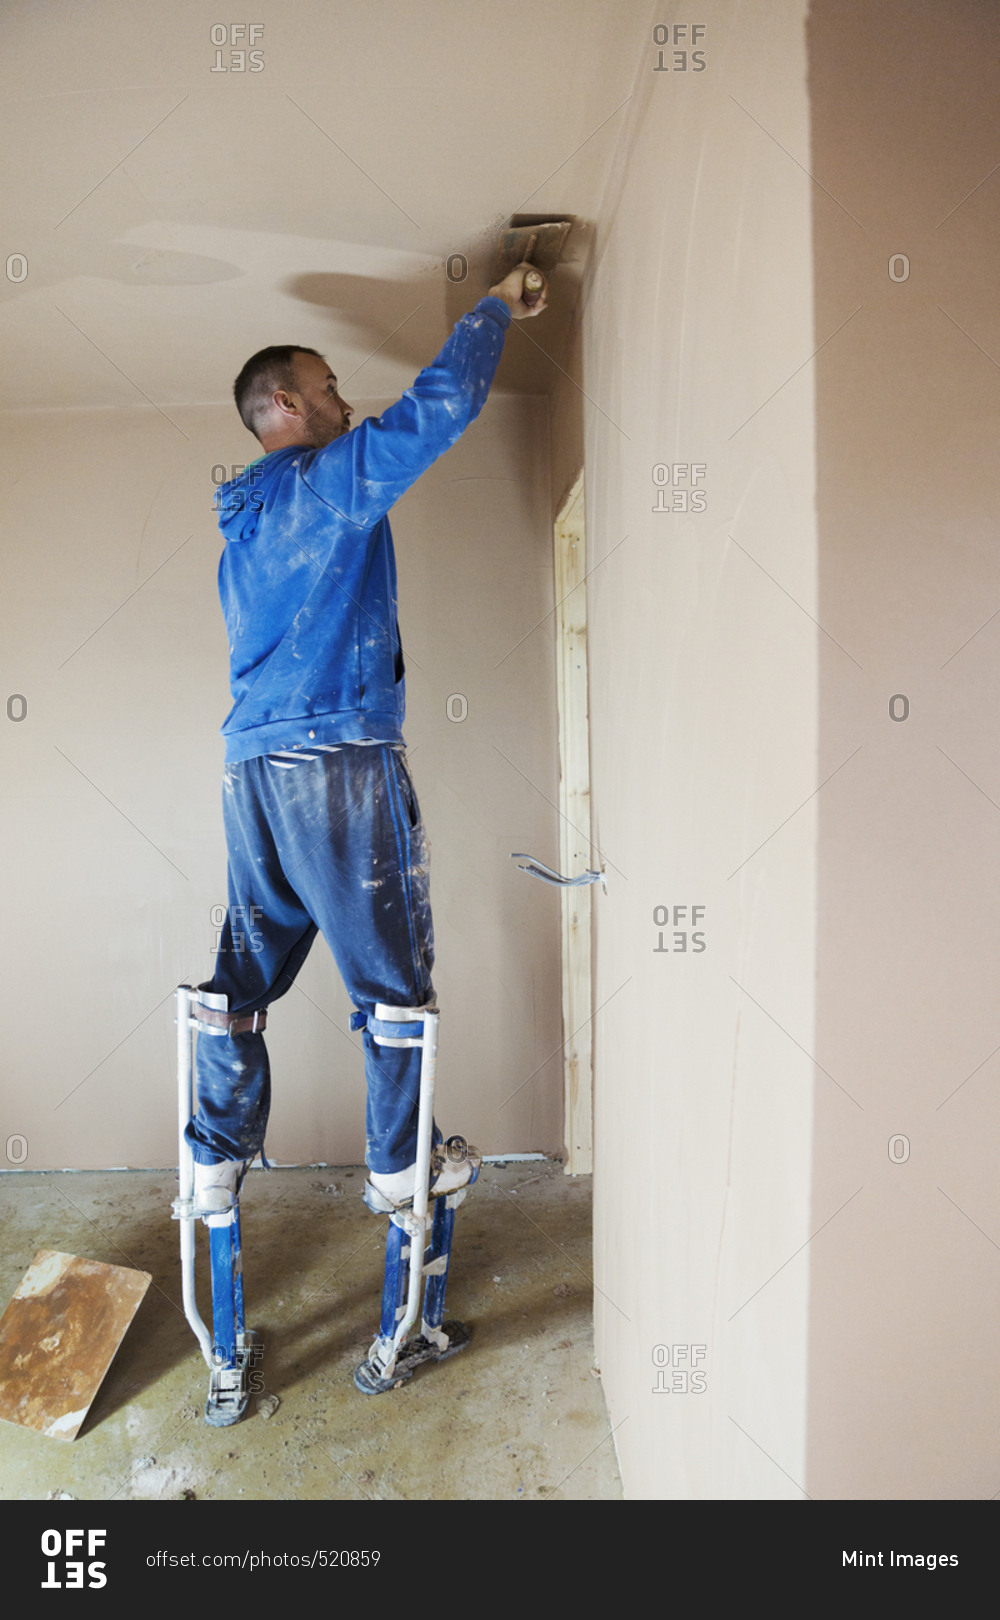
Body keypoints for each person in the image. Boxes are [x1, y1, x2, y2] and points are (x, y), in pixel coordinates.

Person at [185, 260, 548, 1216]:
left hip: (252, 769)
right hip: (335, 762)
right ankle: (402, 1168)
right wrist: (493, 307)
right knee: (392, 980)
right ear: (286, 403)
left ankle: (212, 1160)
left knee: (243, 975)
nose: (346, 402)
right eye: (331, 388)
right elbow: (438, 411)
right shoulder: (323, 482)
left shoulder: (243, 530)